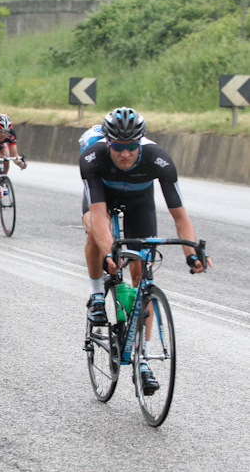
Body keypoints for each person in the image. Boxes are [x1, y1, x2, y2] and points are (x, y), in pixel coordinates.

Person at [80, 107, 212, 392]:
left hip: (140, 200)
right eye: (117, 147)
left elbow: (180, 216)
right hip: (103, 197)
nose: (125, 154)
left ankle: (143, 359)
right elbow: (100, 216)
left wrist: (191, 254)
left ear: (141, 142)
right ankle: (97, 296)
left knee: (142, 275)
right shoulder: (93, 157)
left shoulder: (159, 160)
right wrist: (108, 249)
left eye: (131, 147)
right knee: (94, 233)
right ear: (108, 143)